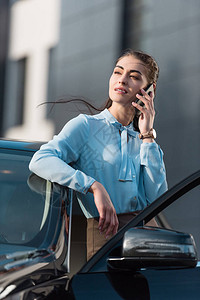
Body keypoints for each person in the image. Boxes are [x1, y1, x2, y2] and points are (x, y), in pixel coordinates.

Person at [29, 49, 168, 260]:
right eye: (117, 72)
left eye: (133, 76)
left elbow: (158, 199)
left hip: (146, 238)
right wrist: (93, 186)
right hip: (105, 233)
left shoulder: (145, 140)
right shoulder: (86, 126)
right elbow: (41, 160)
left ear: (150, 90)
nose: (122, 80)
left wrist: (148, 135)